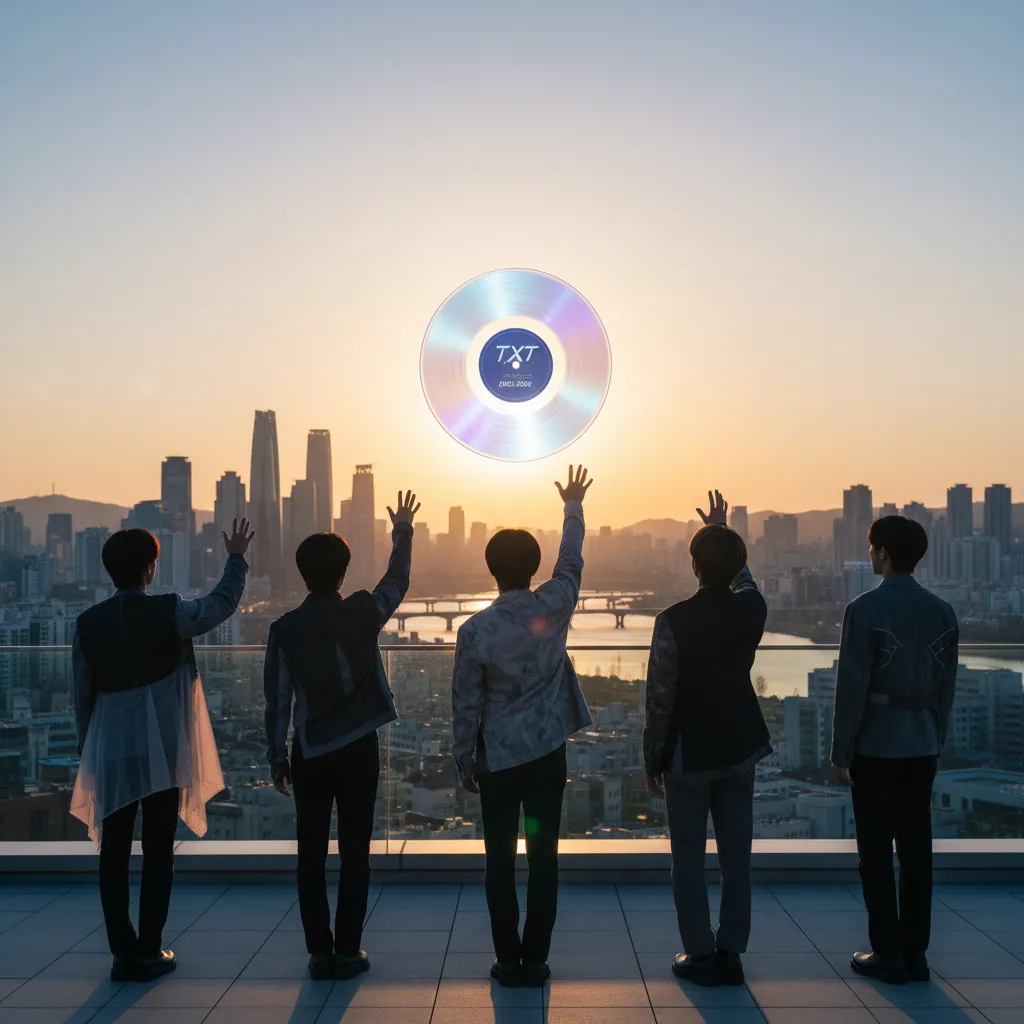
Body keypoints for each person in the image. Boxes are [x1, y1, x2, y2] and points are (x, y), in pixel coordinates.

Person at [71, 519, 253, 983]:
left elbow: (82, 696)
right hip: (164, 746)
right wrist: (235, 558)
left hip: (109, 745)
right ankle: (150, 949)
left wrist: (87, 751)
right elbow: (222, 605)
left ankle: (121, 952)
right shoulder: (170, 612)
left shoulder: (87, 624)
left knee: (113, 851)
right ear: (151, 569)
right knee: (158, 850)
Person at [264, 490, 419, 981]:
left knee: (310, 853)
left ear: (300, 572)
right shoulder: (362, 612)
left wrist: (276, 758)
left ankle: (318, 951)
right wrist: (403, 532)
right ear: (344, 571)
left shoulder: (284, 629)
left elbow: (278, 701)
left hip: (309, 752)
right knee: (356, 851)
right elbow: (397, 582)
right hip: (358, 748)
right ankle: (348, 950)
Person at [451, 465, 594, 989]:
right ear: (533, 567)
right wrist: (572, 507)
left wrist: (463, 758)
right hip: (546, 756)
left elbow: (465, 704)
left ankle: (506, 959)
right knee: (543, 858)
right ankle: (537, 958)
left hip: (498, 763)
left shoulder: (475, 631)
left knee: (498, 862)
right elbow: (572, 562)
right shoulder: (553, 606)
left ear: (491, 569)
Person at [644, 490, 771, 988]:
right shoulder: (752, 611)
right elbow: (747, 581)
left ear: (692, 565)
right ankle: (731, 951)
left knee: (689, 861)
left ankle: (699, 953)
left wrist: (652, 757)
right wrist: (723, 529)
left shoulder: (673, 621)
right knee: (737, 857)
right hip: (740, 746)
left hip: (688, 754)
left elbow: (659, 697)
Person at [831, 515, 958, 985]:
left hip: (876, 748)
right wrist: (936, 739)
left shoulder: (864, 609)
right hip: (922, 743)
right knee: (917, 851)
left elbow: (852, 689)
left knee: (876, 853)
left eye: (871, 548)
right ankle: (915, 952)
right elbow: (946, 688)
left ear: (883, 553)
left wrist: (841, 752)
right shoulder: (942, 611)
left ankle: (886, 951)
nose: (869, 555)